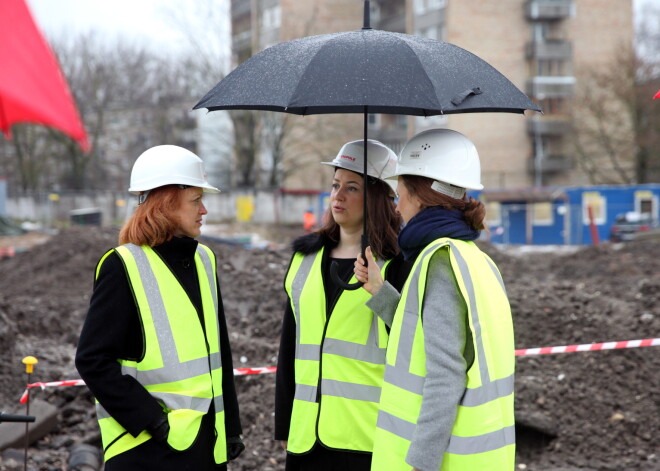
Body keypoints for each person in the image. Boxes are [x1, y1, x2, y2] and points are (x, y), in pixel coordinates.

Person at [354, 129, 516, 471]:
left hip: (443, 460)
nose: (397, 208)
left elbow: (446, 374)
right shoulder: (473, 258)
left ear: (421, 196)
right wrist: (381, 293)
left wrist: (420, 463)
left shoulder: (440, 261)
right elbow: (425, 338)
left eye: (400, 196)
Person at [75, 145, 244, 471]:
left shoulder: (204, 260)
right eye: (196, 200)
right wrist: (154, 422)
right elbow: (93, 360)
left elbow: (219, 353)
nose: (204, 210)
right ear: (166, 203)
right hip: (146, 453)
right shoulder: (122, 265)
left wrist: (231, 427)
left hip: (206, 450)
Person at [275, 139, 411, 471]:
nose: (338, 195)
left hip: (366, 438)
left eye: (352, 188)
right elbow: (290, 345)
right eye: (335, 185)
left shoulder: (400, 263)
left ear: (379, 197)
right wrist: (285, 422)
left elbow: (414, 343)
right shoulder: (305, 258)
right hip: (306, 438)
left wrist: (380, 291)